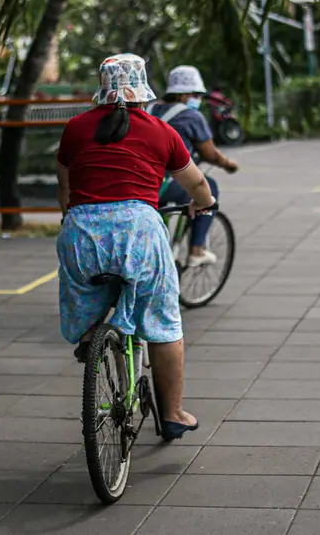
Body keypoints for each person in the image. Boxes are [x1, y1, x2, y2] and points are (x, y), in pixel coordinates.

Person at [55, 53, 216, 441]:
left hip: (83, 232)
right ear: (144, 93)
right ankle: (173, 413)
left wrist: (71, 219)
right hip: (138, 234)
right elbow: (196, 184)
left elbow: (65, 186)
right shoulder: (160, 131)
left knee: (88, 295)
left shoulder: (76, 128)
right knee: (163, 323)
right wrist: (205, 203)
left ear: (101, 91)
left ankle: (92, 337)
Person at [147, 65, 238, 266]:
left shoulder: (148, 109)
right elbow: (210, 153)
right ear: (185, 94)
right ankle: (197, 249)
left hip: (143, 183)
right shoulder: (190, 116)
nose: (198, 99)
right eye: (196, 94)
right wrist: (228, 164)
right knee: (208, 188)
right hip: (168, 184)